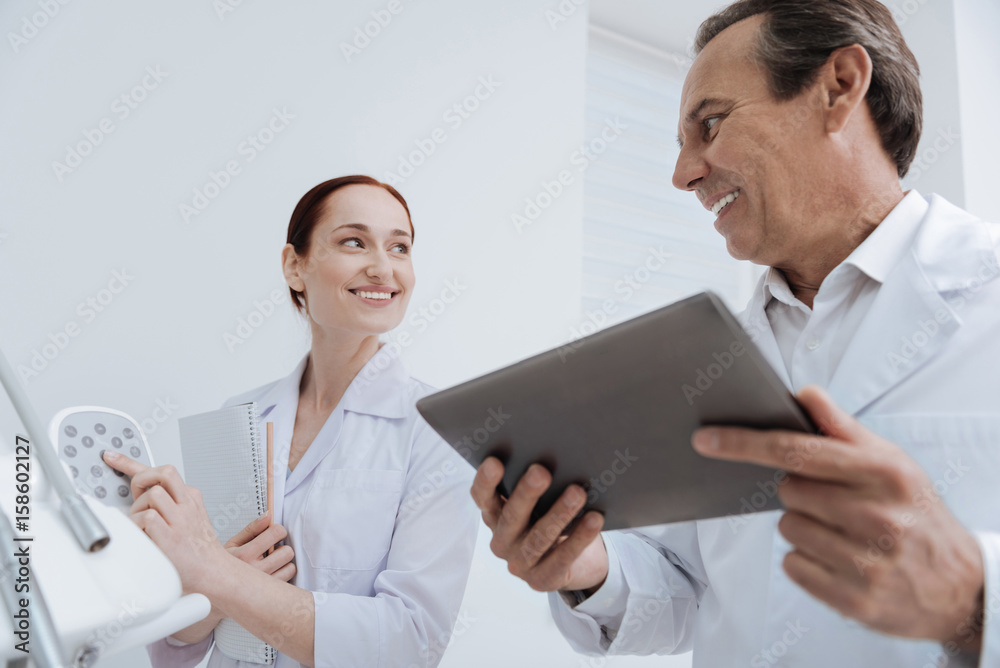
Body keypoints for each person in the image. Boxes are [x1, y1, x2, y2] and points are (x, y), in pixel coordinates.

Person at [470, 1, 1000, 666]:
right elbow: (692, 587)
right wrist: (588, 568)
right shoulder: (711, 358)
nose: (683, 173)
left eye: (711, 125)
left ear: (838, 87)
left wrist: (976, 598)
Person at [106, 175, 479, 668]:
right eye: (354, 241)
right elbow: (177, 649)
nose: (383, 268)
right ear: (294, 266)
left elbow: (409, 645)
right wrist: (204, 580)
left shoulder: (439, 431)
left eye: (400, 247)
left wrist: (217, 573)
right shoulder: (237, 416)